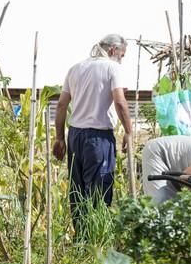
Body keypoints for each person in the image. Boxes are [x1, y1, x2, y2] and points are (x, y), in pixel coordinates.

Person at [52, 34, 132, 231]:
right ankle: (95, 241)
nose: (121, 59)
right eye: (122, 55)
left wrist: (60, 138)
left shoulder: (76, 68)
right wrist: (129, 133)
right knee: (99, 190)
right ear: (113, 50)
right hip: (98, 138)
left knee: (77, 189)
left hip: (75, 135)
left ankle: (81, 239)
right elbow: (120, 102)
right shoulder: (112, 68)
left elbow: (62, 104)